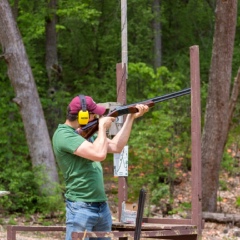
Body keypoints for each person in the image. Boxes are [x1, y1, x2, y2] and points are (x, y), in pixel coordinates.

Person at [52, 95, 149, 240]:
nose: (98, 116)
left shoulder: (85, 134)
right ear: (82, 115)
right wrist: (102, 128)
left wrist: (130, 118)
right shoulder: (63, 135)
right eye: (94, 114)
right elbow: (99, 154)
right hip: (81, 207)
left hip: (101, 206)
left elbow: (117, 146)